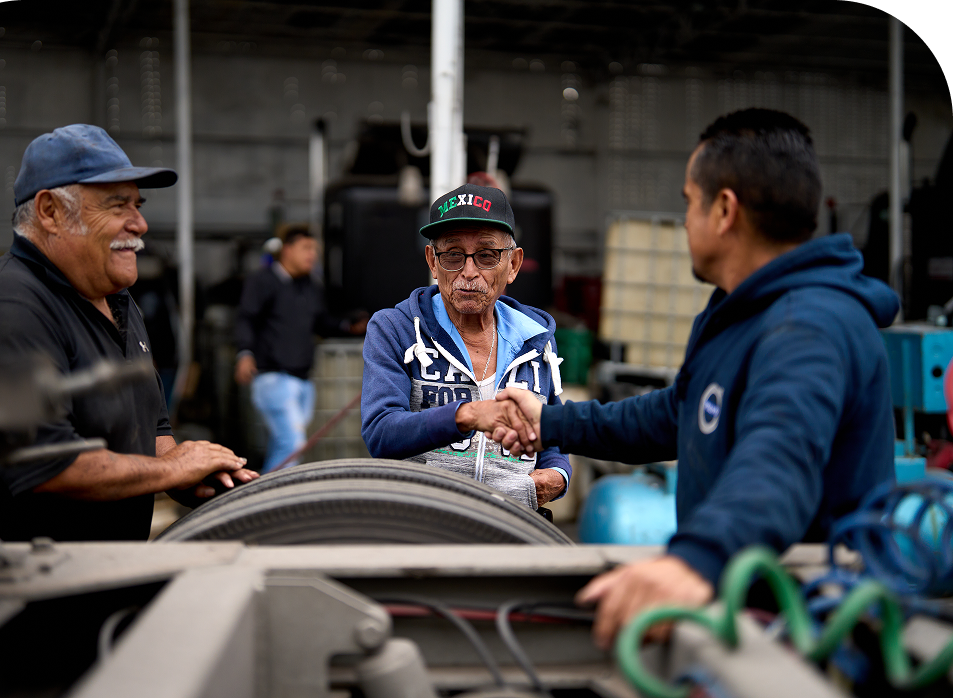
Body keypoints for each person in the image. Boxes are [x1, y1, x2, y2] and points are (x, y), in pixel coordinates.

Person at [486, 108, 899, 645]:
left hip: (814, 634)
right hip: (748, 613)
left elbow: (779, 462)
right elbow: (677, 413)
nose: (683, 220)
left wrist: (693, 562)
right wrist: (554, 423)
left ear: (724, 209)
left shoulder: (807, 327)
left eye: (688, 202)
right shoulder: (738, 313)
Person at [0, 124, 257, 543]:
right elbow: (46, 464)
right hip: (25, 591)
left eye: (138, 205)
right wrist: (171, 470)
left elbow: (153, 429)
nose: (140, 224)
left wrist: (191, 472)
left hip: (101, 575)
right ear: (50, 211)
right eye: (117, 205)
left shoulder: (117, 301)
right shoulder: (8, 309)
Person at [361, 183, 571, 511]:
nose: (468, 272)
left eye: (487, 255)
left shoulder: (537, 338)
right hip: (422, 527)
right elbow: (381, 433)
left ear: (513, 265)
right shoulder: (395, 329)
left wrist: (559, 474)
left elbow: (551, 434)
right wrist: (468, 414)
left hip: (511, 527)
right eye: (453, 255)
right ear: (432, 261)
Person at [234, 224, 367, 472]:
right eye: (306, 248)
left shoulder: (310, 285)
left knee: (283, 443)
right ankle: (267, 500)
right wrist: (244, 353)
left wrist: (348, 325)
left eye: (314, 249)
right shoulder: (262, 281)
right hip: (272, 377)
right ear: (287, 250)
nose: (312, 255)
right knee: (292, 444)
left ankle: (261, 494)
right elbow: (246, 319)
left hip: (304, 379)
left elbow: (321, 323)